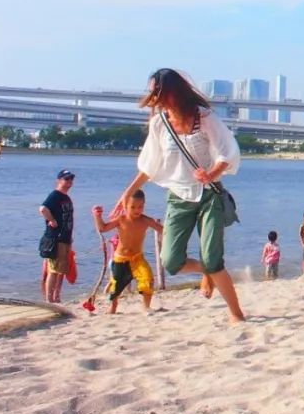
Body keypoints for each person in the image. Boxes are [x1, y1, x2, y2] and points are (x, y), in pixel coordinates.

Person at [119, 68, 245, 323]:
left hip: (210, 196)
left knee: (213, 258)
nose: (155, 97)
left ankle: (237, 316)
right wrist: (128, 192)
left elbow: (228, 152)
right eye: (154, 92)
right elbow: (150, 165)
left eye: (160, 92)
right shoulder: (159, 124)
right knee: (171, 261)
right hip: (179, 198)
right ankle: (205, 272)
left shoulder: (205, 118)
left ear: (175, 92)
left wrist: (211, 173)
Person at [91, 190, 163, 314]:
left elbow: (163, 230)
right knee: (116, 286)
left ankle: (146, 307)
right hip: (120, 259)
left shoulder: (146, 220)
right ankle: (113, 308)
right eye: (133, 207)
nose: (137, 210)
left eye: (140, 207)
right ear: (125, 206)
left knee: (148, 279)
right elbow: (103, 228)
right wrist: (97, 216)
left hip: (137, 258)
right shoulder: (121, 219)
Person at [40, 169, 76, 304]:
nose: (69, 182)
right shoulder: (55, 195)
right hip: (56, 238)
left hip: (66, 238)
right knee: (54, 270)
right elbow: (43, 208)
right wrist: (51, 220)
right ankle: (50, 299)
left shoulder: (66, 197)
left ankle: (57, 296)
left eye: (71, 179)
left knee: (62, 270)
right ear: (59, 180)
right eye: (66, 179)